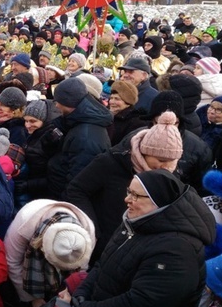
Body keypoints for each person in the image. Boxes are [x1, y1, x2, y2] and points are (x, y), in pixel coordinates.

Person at [67, 170, 216, 307]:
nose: (127, 199)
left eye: (136, 195)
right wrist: (82, 293)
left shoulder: (177, 250)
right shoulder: (136, 223)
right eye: (129, 192)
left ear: (159, 200)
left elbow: (142, 305)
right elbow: (104, 263)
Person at [65, 111, 183, 262]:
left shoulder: (171, 175)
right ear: (144, 152)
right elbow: (76, 189)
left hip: (140, 252)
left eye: (172, 160)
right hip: (103, 248)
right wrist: (92, 229)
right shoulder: (111, 162)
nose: (166, 166)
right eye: (160, 159)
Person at [4, 199, 95, 307]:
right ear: (43, 247)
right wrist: (31, 298)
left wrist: (69, 293)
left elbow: (81, 270)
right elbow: (12, 262)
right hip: (27, 274)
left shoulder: (88, 233)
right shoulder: (22, 225)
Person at [46, 77, 112, 199]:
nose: (56, 105)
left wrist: (64, 208)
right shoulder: (78, 123)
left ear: (68, 102)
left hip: (66, 203)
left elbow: (77, 183)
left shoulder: (85, 138)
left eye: (58, 101)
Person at [107, 80, 148, 146]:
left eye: (117, 99)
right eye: (111, 98)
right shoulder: (107, 116)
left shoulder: (136, 123)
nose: (112, 102)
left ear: (128, 102)